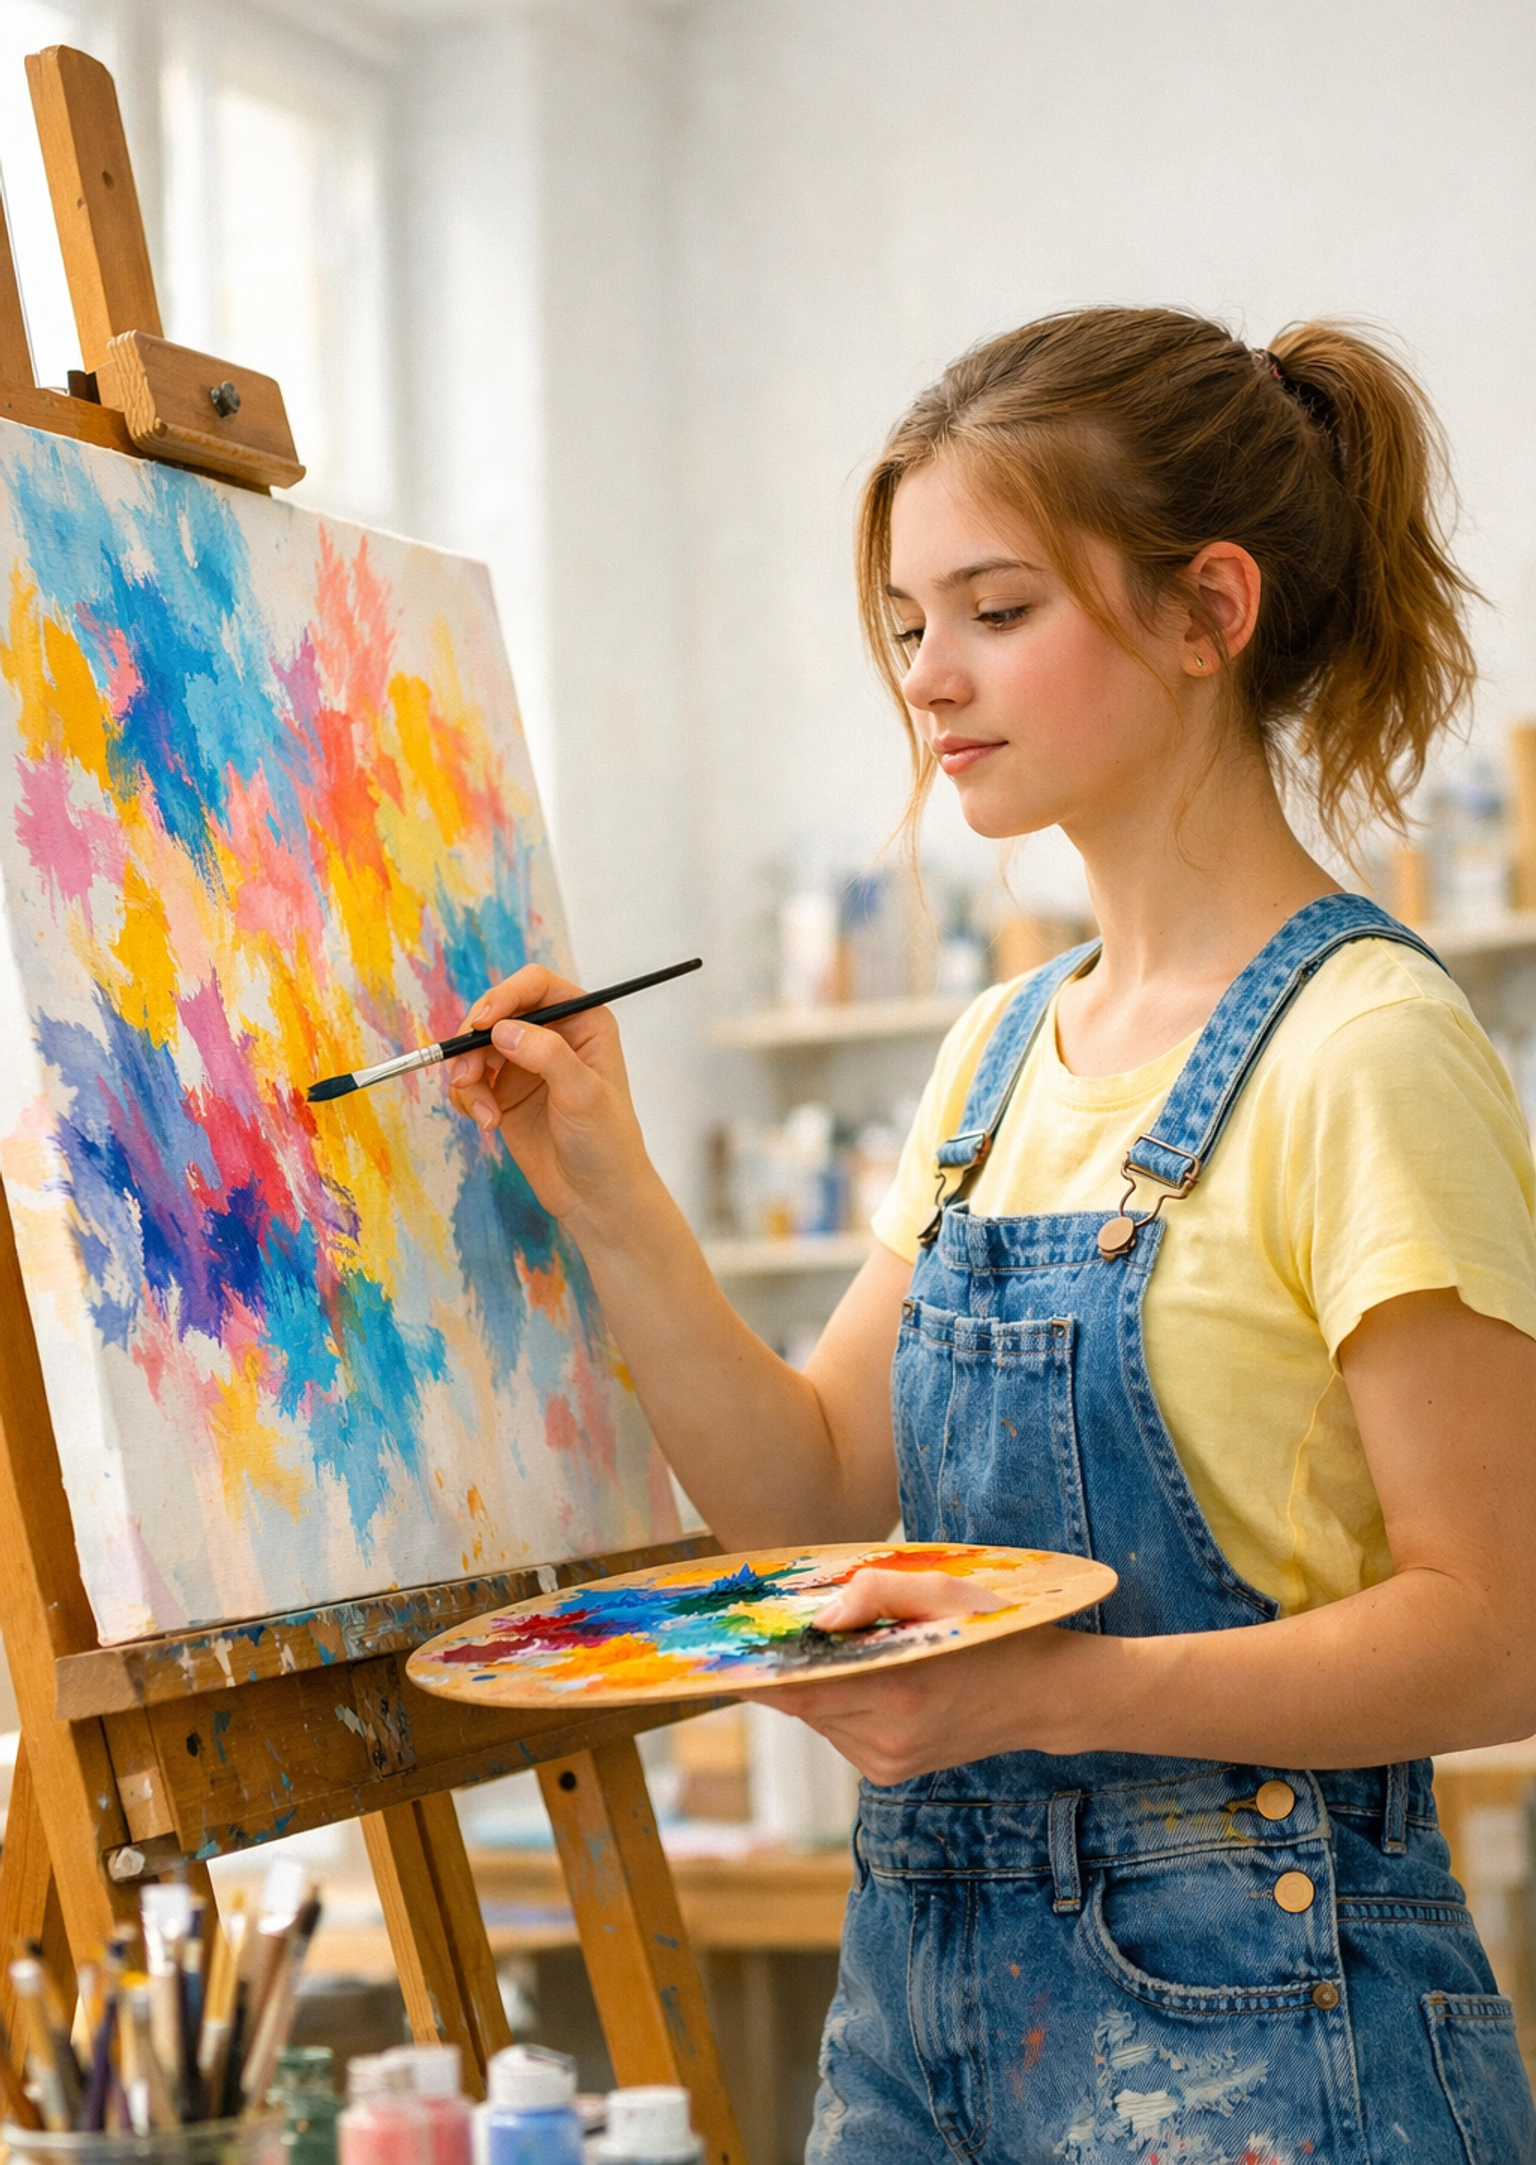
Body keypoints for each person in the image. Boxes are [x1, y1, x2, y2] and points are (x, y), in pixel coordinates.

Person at [450, 308, 1536, 2162]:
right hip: (921, 2014)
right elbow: (806, 1499)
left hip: (1264, 2035)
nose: (930, 680)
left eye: (997, 609)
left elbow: (1501, 1629)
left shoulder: (1366, 1044)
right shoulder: (995, 1053)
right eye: (904, 626)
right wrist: (604, 1177)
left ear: (1210, 609)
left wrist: (1049, 1690)